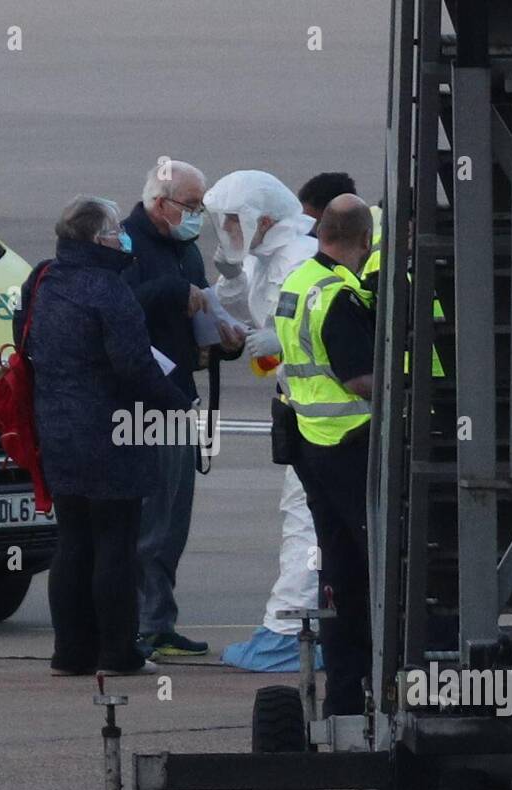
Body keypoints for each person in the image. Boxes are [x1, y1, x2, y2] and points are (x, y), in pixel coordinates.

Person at [20, 196, 191, 676]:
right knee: (116, 541)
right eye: (116, 230)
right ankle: (117, 651)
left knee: (72, 541)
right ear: (98, 239)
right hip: (112, 430)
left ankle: (70, 652)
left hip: (56, 428)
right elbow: (133, 367)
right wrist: (179, 405)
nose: (123, 236)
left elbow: (24, 342)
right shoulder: (108, 290)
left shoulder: (42, 280)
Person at [198, 171, 328, 673]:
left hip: (320, 414)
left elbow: (324, 324)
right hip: (300, 407)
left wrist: (283, 342)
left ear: (264, 219)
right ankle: (297, 627)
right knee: (302, 518)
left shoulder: (300, 258)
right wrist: (230, 272)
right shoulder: (266, 257)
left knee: (306, 522)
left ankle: (292, 631)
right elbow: (235, 300)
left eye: (234, 220)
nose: (227, 228)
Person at [122, 160, 245, 659]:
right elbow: (122, 305)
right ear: (159, 203)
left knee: (173, 521)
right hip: (141, 402)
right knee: (149, 521)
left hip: (179, 398)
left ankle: (159, 620)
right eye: (190, 206)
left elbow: (197, 314)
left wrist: (225, 339)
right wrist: (178, 293)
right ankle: (139, 623)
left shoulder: (184, 248)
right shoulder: (125, 244)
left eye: (200, 207)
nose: (196, 216)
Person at [273, 194, 378, 715]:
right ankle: (371, 686)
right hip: (349, 447)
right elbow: (359, 379)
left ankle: (342, 697)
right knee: (377, 572)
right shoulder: (338, 295)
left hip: (310, 445)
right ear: (365, 241)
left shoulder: (297, 282)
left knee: (339, 575)